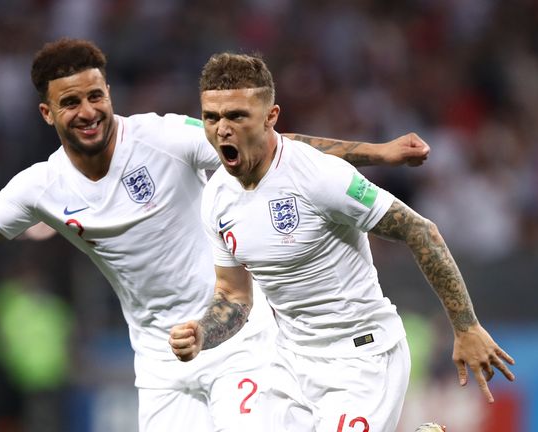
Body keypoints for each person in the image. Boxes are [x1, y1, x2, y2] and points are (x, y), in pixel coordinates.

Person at [0, 39, 429, 431]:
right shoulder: (41, 186)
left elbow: (273, 144)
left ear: (110, 94)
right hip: (158, 361)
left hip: (239, 335)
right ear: (48, 113)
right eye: (71, 101)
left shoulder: (162, 137)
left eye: (96, 95)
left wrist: (373, 151)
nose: (89, 111)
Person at [168, 53, 515, 431]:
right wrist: (203, 331)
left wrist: (465, 327)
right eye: (211, 117)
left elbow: (420, 230)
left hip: (361, 359)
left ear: (271, 117)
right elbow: (233, 295)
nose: (222, 130)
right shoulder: (217, 195)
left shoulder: (319, 177)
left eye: (236, 116)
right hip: (288, 362)